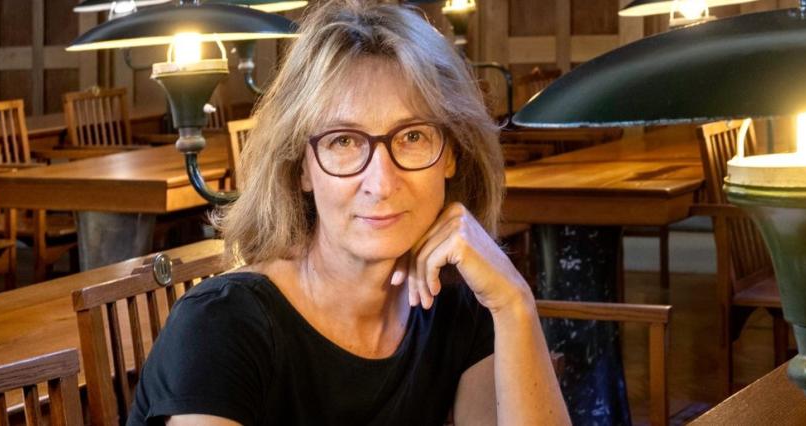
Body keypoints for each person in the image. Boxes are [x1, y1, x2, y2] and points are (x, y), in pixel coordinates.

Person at [128, 1, 569, 424]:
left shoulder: (457, 303)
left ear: (452, 153)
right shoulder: (220, 325)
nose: (381, 182)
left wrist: (514, 303)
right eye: (344, 141)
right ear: (301, 167)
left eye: (412, 137)